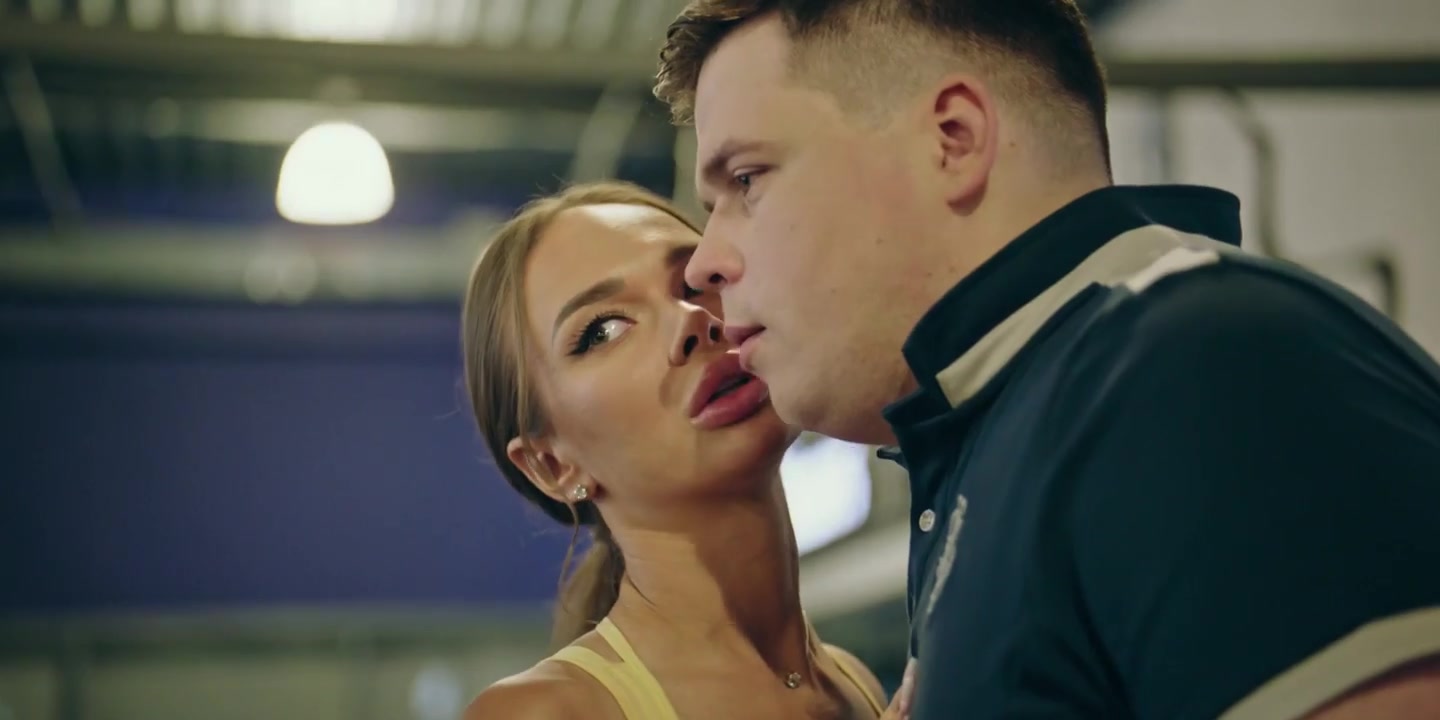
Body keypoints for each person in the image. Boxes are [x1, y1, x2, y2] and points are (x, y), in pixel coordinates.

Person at [653, 1, 1440, 719]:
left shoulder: (1199, 373)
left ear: (953, 139)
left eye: (747, 179)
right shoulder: (1014, 429)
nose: (705, 263)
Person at [458, 181, 906, 720]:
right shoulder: (545, 712)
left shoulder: (853, 682)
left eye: (695, 280)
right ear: (552, 465)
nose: (690, 319)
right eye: (603, 330)